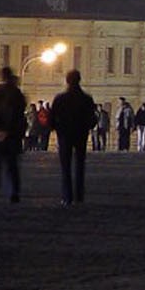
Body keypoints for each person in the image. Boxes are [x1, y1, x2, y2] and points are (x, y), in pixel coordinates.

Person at [50, 69, 99, 205]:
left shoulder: (60, 98)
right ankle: (79, 195)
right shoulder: (86, 98)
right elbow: (93, 118)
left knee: (65, 167)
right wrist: (86, 127)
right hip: (80, 134)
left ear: (67, 81)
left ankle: (67, 196)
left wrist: (56, 129)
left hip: (65, 135)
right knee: (80, 165)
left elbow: (52, 118)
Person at [0, 67, 28, 203]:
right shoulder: (17, 94)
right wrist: (12, 131)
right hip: (12, 135)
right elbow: (19, 116)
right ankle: (13, 193)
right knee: (12, 166)